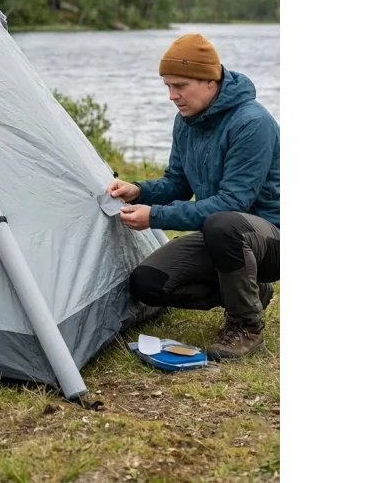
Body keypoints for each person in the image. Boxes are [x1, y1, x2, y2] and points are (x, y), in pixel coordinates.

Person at [106, 32, 283, 361]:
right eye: (168, 86)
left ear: (210, 81)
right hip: (223, 234)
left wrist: (154, 217)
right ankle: (251, 290)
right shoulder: (186, 121)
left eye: (180, 86)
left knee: (222, 224)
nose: (172, 96)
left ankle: (245, 325)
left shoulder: (252, 122)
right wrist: (139, 190)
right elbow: (177, 183)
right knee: (148, 284)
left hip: (272, 239)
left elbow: (233, 204)